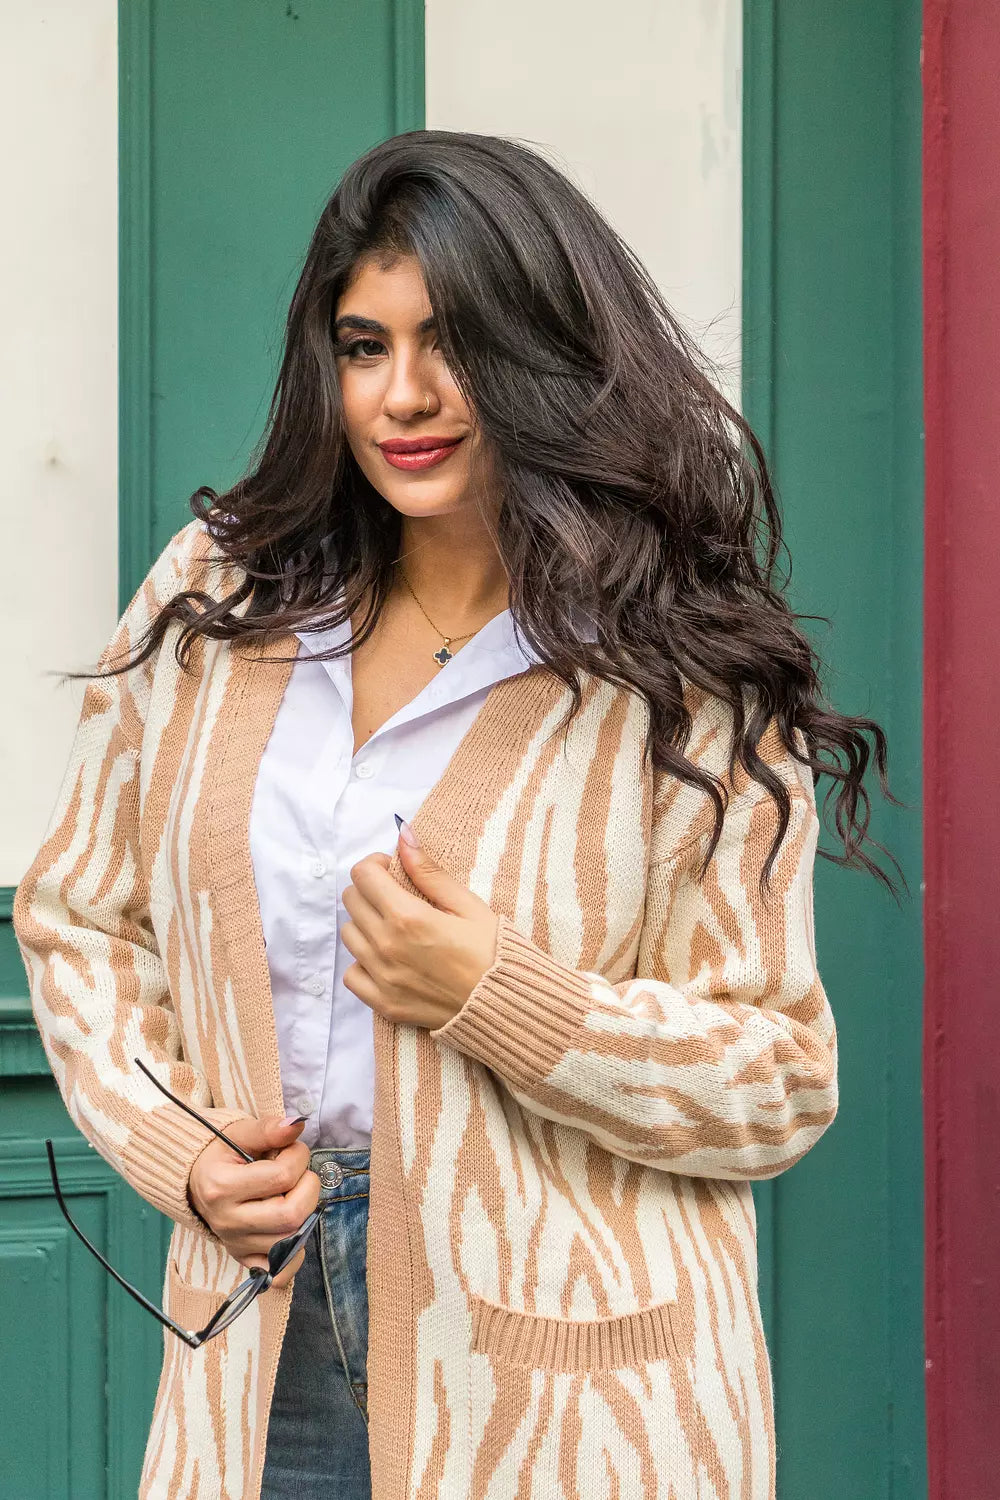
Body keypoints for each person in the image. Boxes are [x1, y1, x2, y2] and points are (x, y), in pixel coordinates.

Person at [13, 129, 901, 1500]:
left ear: (546, 355)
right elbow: (81, 913)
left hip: (571, 1387)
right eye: (363, 347)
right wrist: (180, 1149)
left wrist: (500, 993)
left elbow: (780, 1080)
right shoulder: (221, 595)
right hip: (261, 1337)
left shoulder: (676, 665)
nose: (404, 397)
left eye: (454, 345)